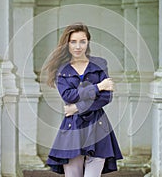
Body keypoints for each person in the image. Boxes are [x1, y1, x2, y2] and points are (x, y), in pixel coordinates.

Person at [44, 22, 123, 177]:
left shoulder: (100, 64)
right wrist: (98, 87)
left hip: (98, 126)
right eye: (73, 42)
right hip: (73, 126)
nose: (78, 46)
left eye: (82, 41)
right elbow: (69, 95)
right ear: (67, 44)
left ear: (88, 42)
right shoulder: (62, 69)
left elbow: (106, 97)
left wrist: (77, 108)